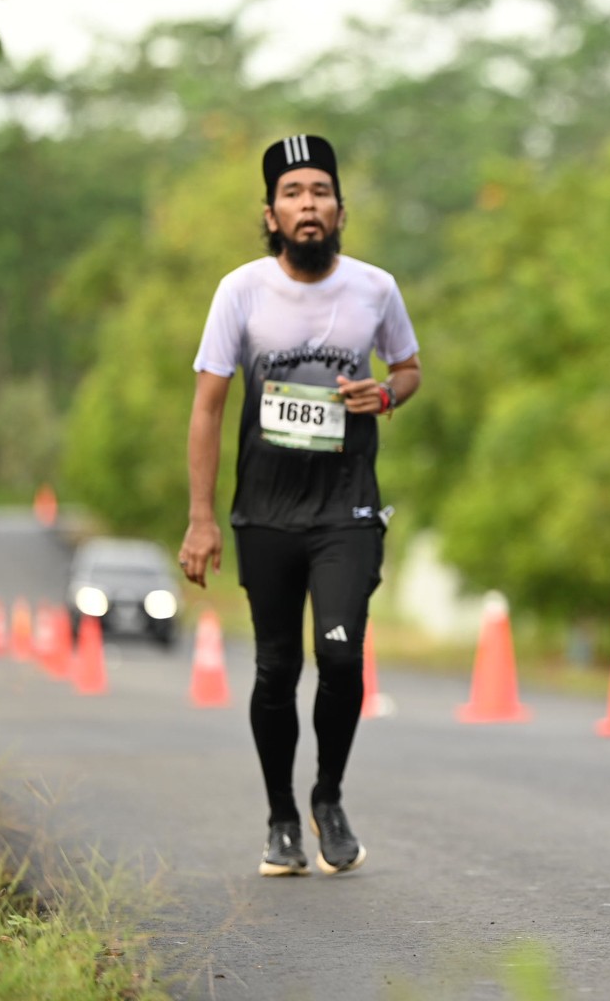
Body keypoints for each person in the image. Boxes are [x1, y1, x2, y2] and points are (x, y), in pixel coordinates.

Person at [178, 134, 421, 878]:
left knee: (341, 657)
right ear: (271, 214)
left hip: (347, 508)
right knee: (276, 669)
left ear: (340, 209)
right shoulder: (241, 291)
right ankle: (282, 818)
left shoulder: (375, 288)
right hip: (267, 510)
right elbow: (208, 408)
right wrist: (200, 519)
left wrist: (385, 395)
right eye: (292, 194)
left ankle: (328, 798)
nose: (308, 205)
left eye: (320, 192)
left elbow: (408, 369)